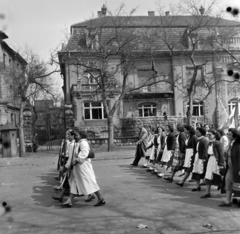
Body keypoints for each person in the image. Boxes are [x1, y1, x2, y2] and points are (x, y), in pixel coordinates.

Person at [62, 130, 105, 207]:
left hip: (84, 167)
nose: (75, 136)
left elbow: (84, 154)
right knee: (75, 183)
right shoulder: (78, 143)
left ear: (81, 136)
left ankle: (100, 198)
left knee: (90, 182)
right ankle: (69, 200)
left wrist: (77, 160)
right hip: (78, 168)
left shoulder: (83, 143)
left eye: (77, 135)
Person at [200, 130, 224, 198]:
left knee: (219, 176)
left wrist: (221, 164)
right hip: (210, 160)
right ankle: (207, 192)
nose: (208, 136)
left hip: (216, 161)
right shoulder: (209, 143)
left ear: (215, 135)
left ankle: (225, 191)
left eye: (210, 134)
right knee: (208, 176)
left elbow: (221, 154)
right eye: (207, 134)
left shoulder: (218, 143)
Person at [219, 128, 240, 207]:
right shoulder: (232, 143)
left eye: (230, 134)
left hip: (236, 168)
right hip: (230, 168)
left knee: (237, 185)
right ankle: (227, 201)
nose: (227, 135)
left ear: (235, 136)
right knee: (228, 183)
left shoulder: (238, 145)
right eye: (227, 134)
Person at [191, 127, 208, 192]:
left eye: (198, 132)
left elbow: (205, 150)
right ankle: (197, 186)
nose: (196, 133)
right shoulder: (199, 140)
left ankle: (206, 188)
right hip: (197, 156)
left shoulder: (204, 140)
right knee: (196, 171)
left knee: (201, 171)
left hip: (201, 158)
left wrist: (204, 158)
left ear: (201, 133)